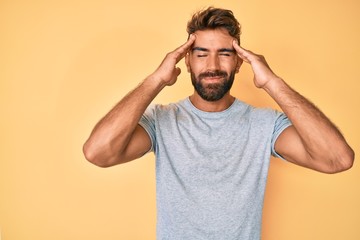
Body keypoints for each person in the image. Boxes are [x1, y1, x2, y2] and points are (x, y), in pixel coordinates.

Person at [83, 7, 354, 240]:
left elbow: (338, 159)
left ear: (238, 62)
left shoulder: (265, 124)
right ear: (186, 61)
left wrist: (272, 83)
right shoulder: (161, 121)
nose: (212, 65)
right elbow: (98, 153)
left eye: (224, 53)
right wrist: (156, 80)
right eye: (201, 54)